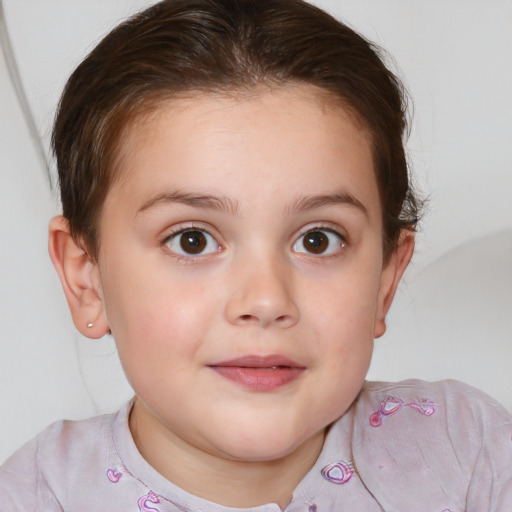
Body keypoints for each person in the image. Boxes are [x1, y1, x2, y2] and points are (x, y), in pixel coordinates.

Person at [1, 0, 511, 509]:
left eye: (318, 239)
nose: (266, 300)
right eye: (192, 240)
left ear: (384, 277)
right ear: (86, 279)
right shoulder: (36, 497)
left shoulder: (469, 453)